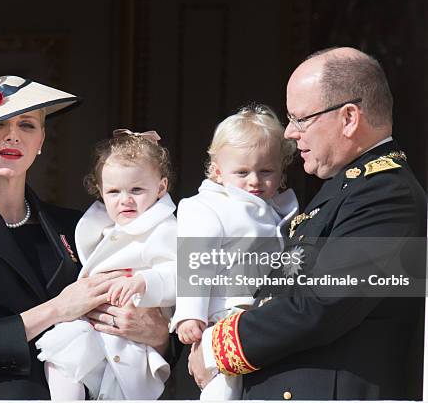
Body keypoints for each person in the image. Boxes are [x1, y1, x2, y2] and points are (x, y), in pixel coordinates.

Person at [0, 65, 171, 399]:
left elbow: (150, 285)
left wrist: (158, 334)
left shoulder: (80, 226)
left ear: (41, 141)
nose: (12, 135)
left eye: (26, 125)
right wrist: (57, 310)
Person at [188, 47, 427, 400]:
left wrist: (215, 346)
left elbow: (321, 304)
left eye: (301, 119)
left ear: (348, 118)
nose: (289, 133)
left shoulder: (387, 194)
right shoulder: (346, 188)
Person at [36, 129, 177, 400]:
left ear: (160, 188)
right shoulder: (99, 226)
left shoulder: (165, 229)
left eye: (137, 190)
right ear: (100, 191)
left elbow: (180, 274)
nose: (125, 199)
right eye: (114, 191)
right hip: (90, 324)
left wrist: (144, 281)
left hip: (132, 336)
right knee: (61, 357)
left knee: (117, 386)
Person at [171, 104, 298, 400]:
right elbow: (194, 261)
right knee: (222, 388)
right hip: (225, 316)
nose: (254, 181)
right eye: (242, 172)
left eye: (266, 171)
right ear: (217, 171)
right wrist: (190, 314)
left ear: (281, 172)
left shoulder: (282, 210)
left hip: (266, 321)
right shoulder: (207, 206)